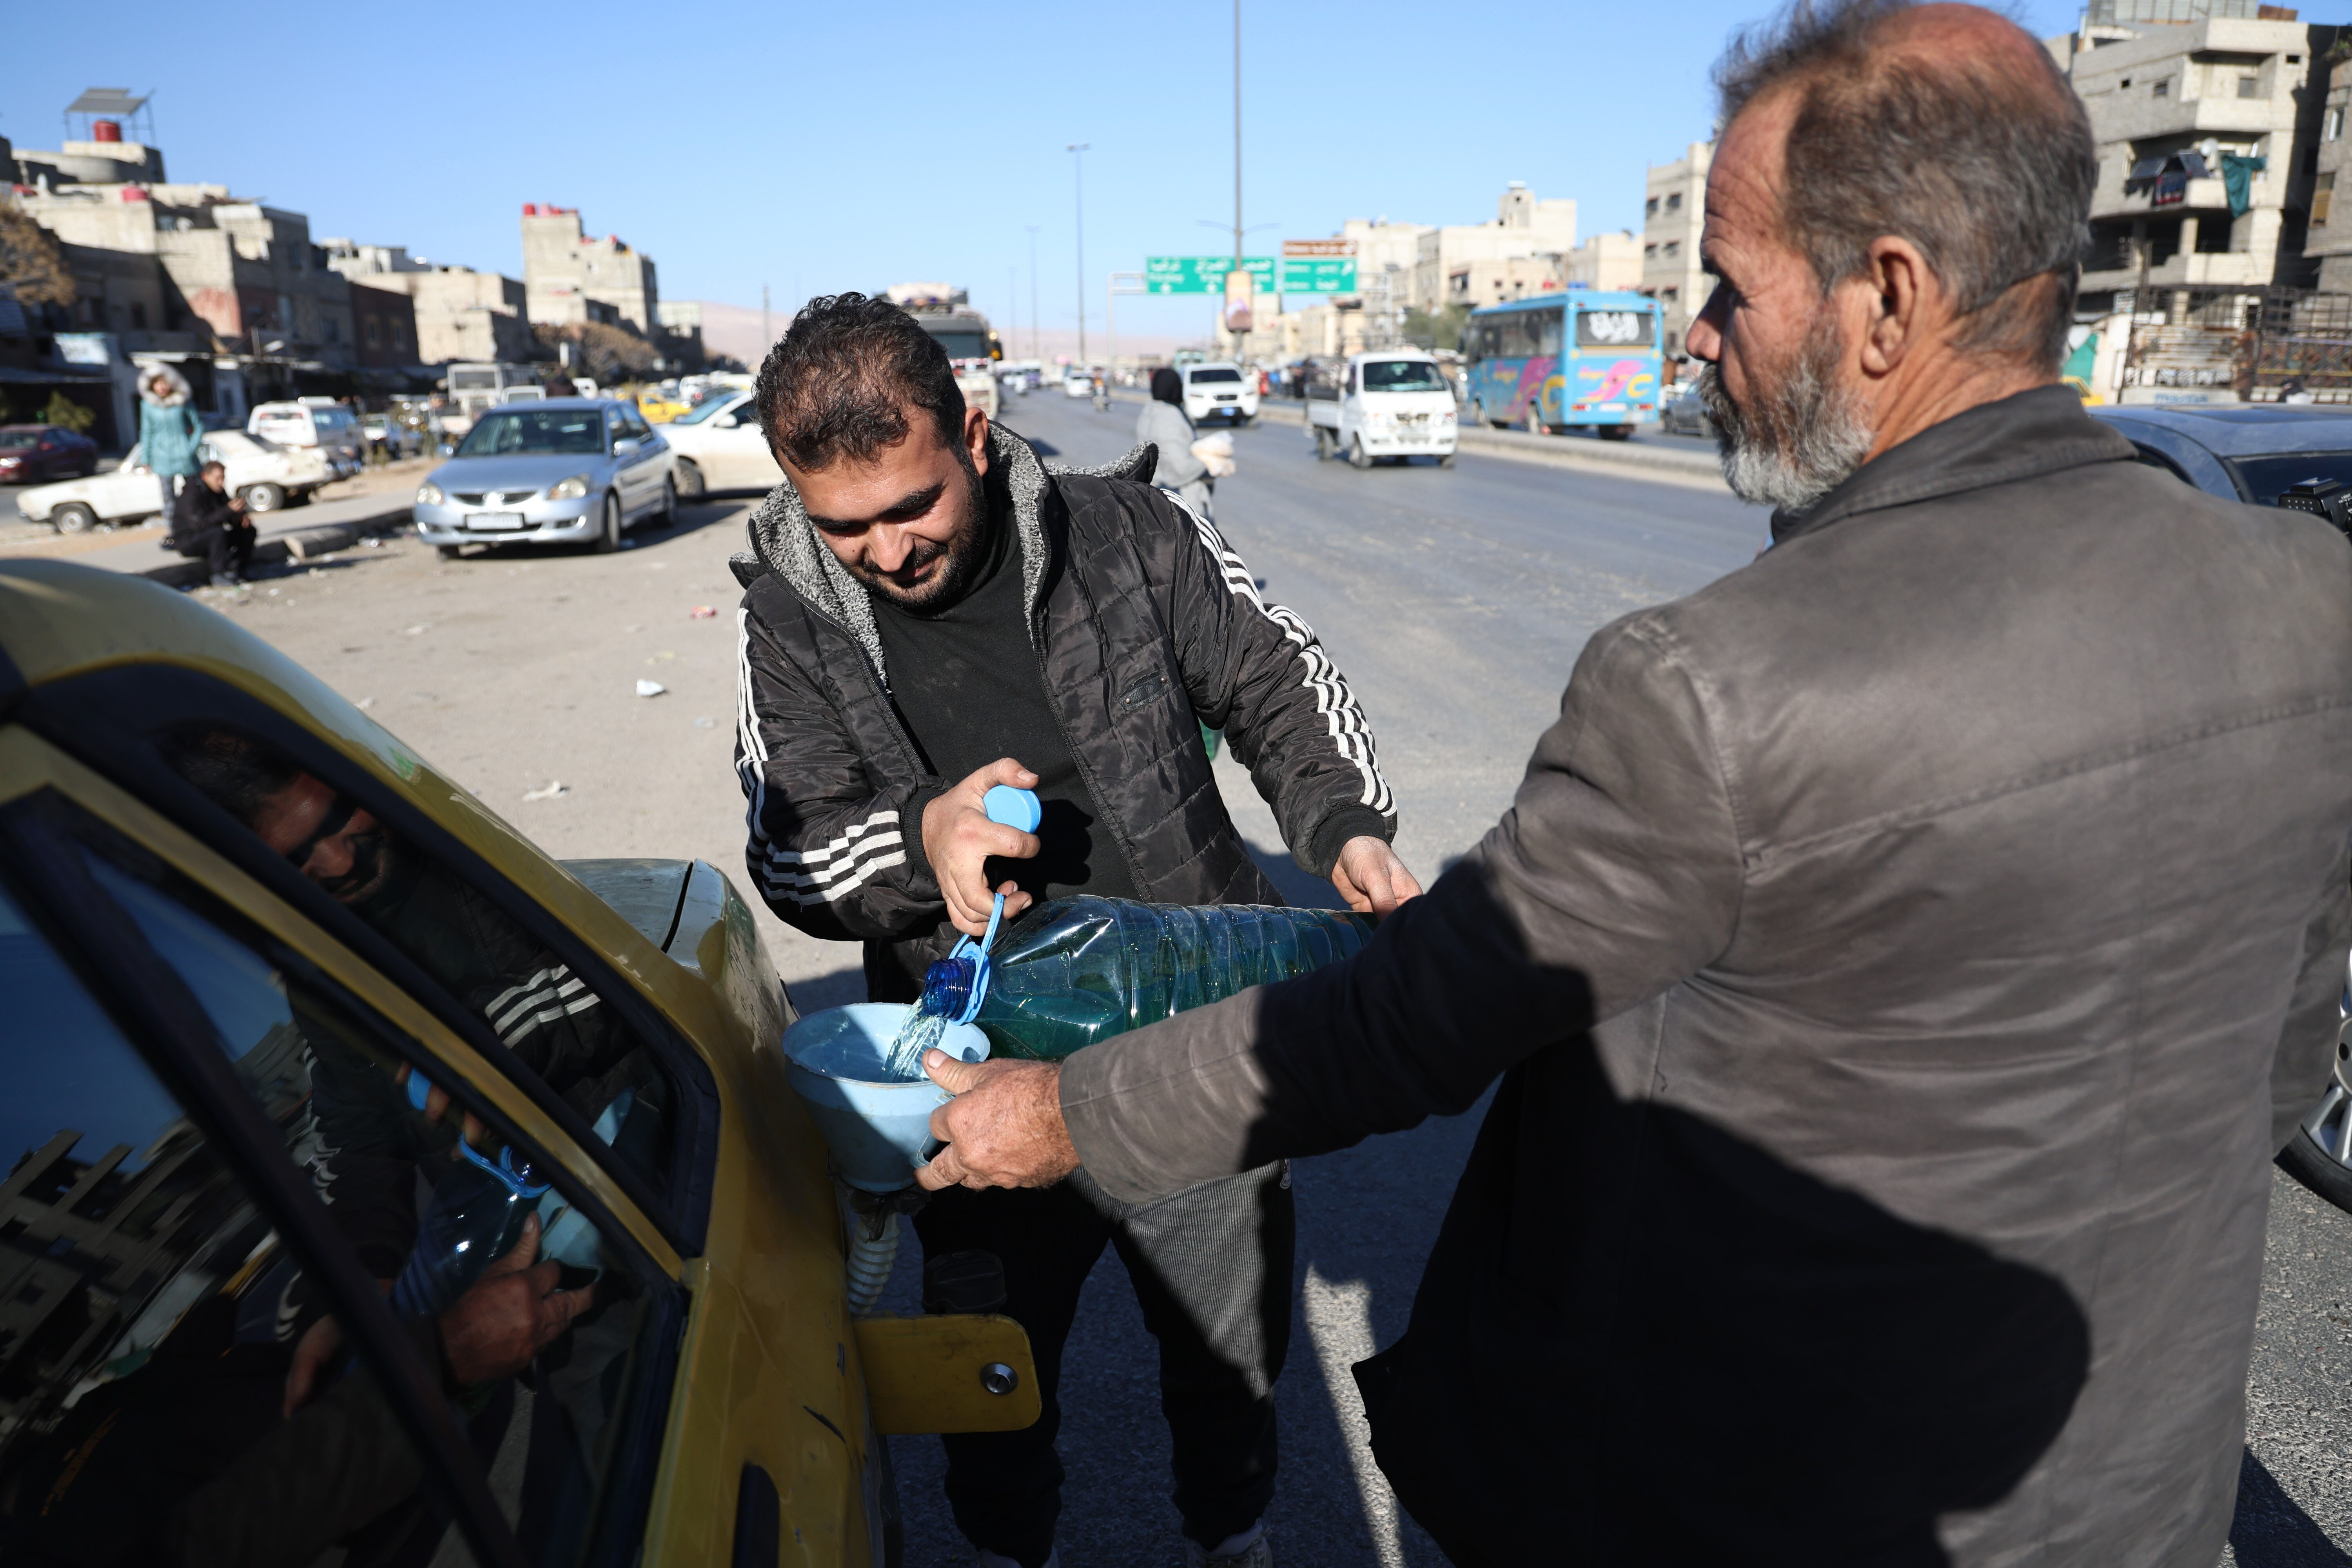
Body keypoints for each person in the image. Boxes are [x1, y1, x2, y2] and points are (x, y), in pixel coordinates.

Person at [910, 4, 2352, 1564]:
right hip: (2138, 1487)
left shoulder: (1716, 685)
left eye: (1728, 289)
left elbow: (1410, 1023)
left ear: (1886, 300)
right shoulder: (2309, 591)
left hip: (1778, 1502)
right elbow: (2281, 1057)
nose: (1694, 340)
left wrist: (1068, 1111)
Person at [733, 292, 1419, 1568]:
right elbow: (785, 842)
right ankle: (1010, 1552)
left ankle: (1235, 1538)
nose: (883, 551)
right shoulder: (787, 608)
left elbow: (1278, 680)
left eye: (911, 507)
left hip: (1191, 1039)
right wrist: (915, 838)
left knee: (1230, 1365)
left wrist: (1343, 828)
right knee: (994, 1383)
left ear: (976, 438)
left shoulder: (1136, 531)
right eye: (845, 526)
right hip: (971, 1074)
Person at [1136, 367, 1212, 519]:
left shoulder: (1150, 411)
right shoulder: (1168, 418)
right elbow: (1180, 469)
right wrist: (1209, 461)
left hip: (1154, 497)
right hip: (1179, 503)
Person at [169, 459, 256, 586]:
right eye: (218, 478)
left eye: (223, 478)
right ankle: (217, 574)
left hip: (211, 534)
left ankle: (237, 570)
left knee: (248, 532)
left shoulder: (218, 491)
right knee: (217, 533)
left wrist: (239, 518)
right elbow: (199, 524)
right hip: (189, 540)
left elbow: (225, 512)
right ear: (206, 476)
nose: (221, 482)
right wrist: (228, 510)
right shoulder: (191, 494)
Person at [137, 362, 206, 518]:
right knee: (169, 499)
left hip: (185, 457)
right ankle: (175, 533)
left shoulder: (184, 401)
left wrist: (190, 448)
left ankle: (199, 526)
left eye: (165, 382)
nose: (162, 387)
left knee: (195, 493)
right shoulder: (148, 405)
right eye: (157, 384)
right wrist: (146, 459)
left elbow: (199, 427)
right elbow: (147, 432)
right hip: (162, 457)